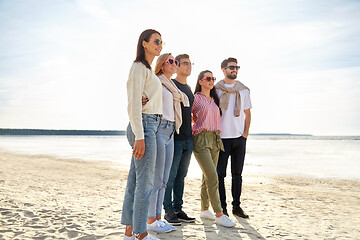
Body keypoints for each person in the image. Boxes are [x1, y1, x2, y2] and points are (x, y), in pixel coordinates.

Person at [121, 29, 163, 240]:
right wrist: (140, 136)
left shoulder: (147, 70)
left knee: (134, 181)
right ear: (144, 43)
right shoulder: (138, 67)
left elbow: (141, 98)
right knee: (144, 183)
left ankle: (130, 230)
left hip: (148, 125)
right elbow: (132, 102)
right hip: (144, 127)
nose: (160, 45)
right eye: (156, 41)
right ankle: (141, 233)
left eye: (161, 42)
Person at [146, 53, 190, 233]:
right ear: (162, 64)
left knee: (164, 179)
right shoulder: (156, 80)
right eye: (171, 61)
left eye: (176, 62)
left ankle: (158, 218)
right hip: (158, 128)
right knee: (157, 178)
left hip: (172, 130)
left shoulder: (172, 86)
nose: (175, 64)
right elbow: (145, 99)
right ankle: (151, 219)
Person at [192, 70, 236, 228]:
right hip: (201, 139)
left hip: (215, 139)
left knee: (206, 177)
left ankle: (204, 209)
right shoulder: (196, 98)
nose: (212, 81)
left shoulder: (215, 99)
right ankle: (219, 213)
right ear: (201, 81)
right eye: (208, 78)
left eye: (213, 78)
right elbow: (186, 115)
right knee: (213, 176)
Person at [215, 57, 252, 218]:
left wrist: (245, 134)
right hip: (222, 138)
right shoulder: (216, 89)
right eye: (231, 67)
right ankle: (222, 208)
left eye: (237, 67)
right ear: (223, 69)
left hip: (238, 138)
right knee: (220, 175)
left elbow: (247, 113)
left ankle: (236, 207)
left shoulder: (243, 90)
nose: (234, 70)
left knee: (237, 175)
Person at [163, 54, 196, 225]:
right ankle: (168, 211)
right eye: (185, 63)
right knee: (171, 175)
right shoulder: (171, 84)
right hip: (174, 137)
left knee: (181, 176)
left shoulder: (189, 88)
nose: (189, 67)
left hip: (188, 139)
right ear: (177, 65)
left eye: (190, 64)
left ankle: (178, 208)